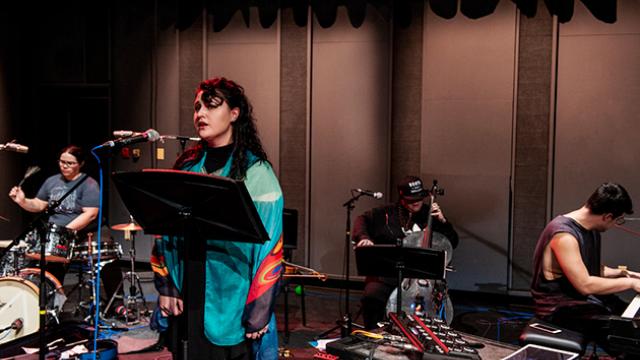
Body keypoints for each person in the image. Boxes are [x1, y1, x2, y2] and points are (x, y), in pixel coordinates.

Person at [151, 77, 283, 360]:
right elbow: (163, 231)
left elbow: (271, 248)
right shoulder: (187, 165)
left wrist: (259, 309)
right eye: (197, 107)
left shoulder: (256, 171)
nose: (201, 114)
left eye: (211, 106)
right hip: (187, 288)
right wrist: (166, 286)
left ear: (235, 113)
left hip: (231, 297)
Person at [8, 145, 124, 317]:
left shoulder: (89, 184)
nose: (64, 166)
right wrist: (23, 201)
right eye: (62, 162)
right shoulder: (51, 181)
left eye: (70, 163)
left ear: (80, 164)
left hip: (85, 233)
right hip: (58, 233)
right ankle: (52, 306)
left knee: (108, 262)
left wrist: (64, 232)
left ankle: (117, 304)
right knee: (49, 268)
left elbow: (91, 214)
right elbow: (39, 205)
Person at [531, 182, 640, 356]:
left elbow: (589, 268)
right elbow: (585, 284)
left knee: (629, 317)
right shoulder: (564, 235)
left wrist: (625, 273)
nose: (616, 225)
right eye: (618, 220)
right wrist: (630, 283)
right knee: (626, 336)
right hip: (559, 309)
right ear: (607, 216)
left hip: (580, 301)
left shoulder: (590, 229)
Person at [353, 175, 459, 329]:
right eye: (411, 199)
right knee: (372, 296)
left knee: (428, 303)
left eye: (419, 197)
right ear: (402, 198)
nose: (416, 202)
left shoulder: (431, 215)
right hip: (388, 275)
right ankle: (372, 333)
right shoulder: (386, 213)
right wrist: (364, 237)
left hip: (419, 278)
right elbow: (361, 220)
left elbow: (453, 242)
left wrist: (443, 222)